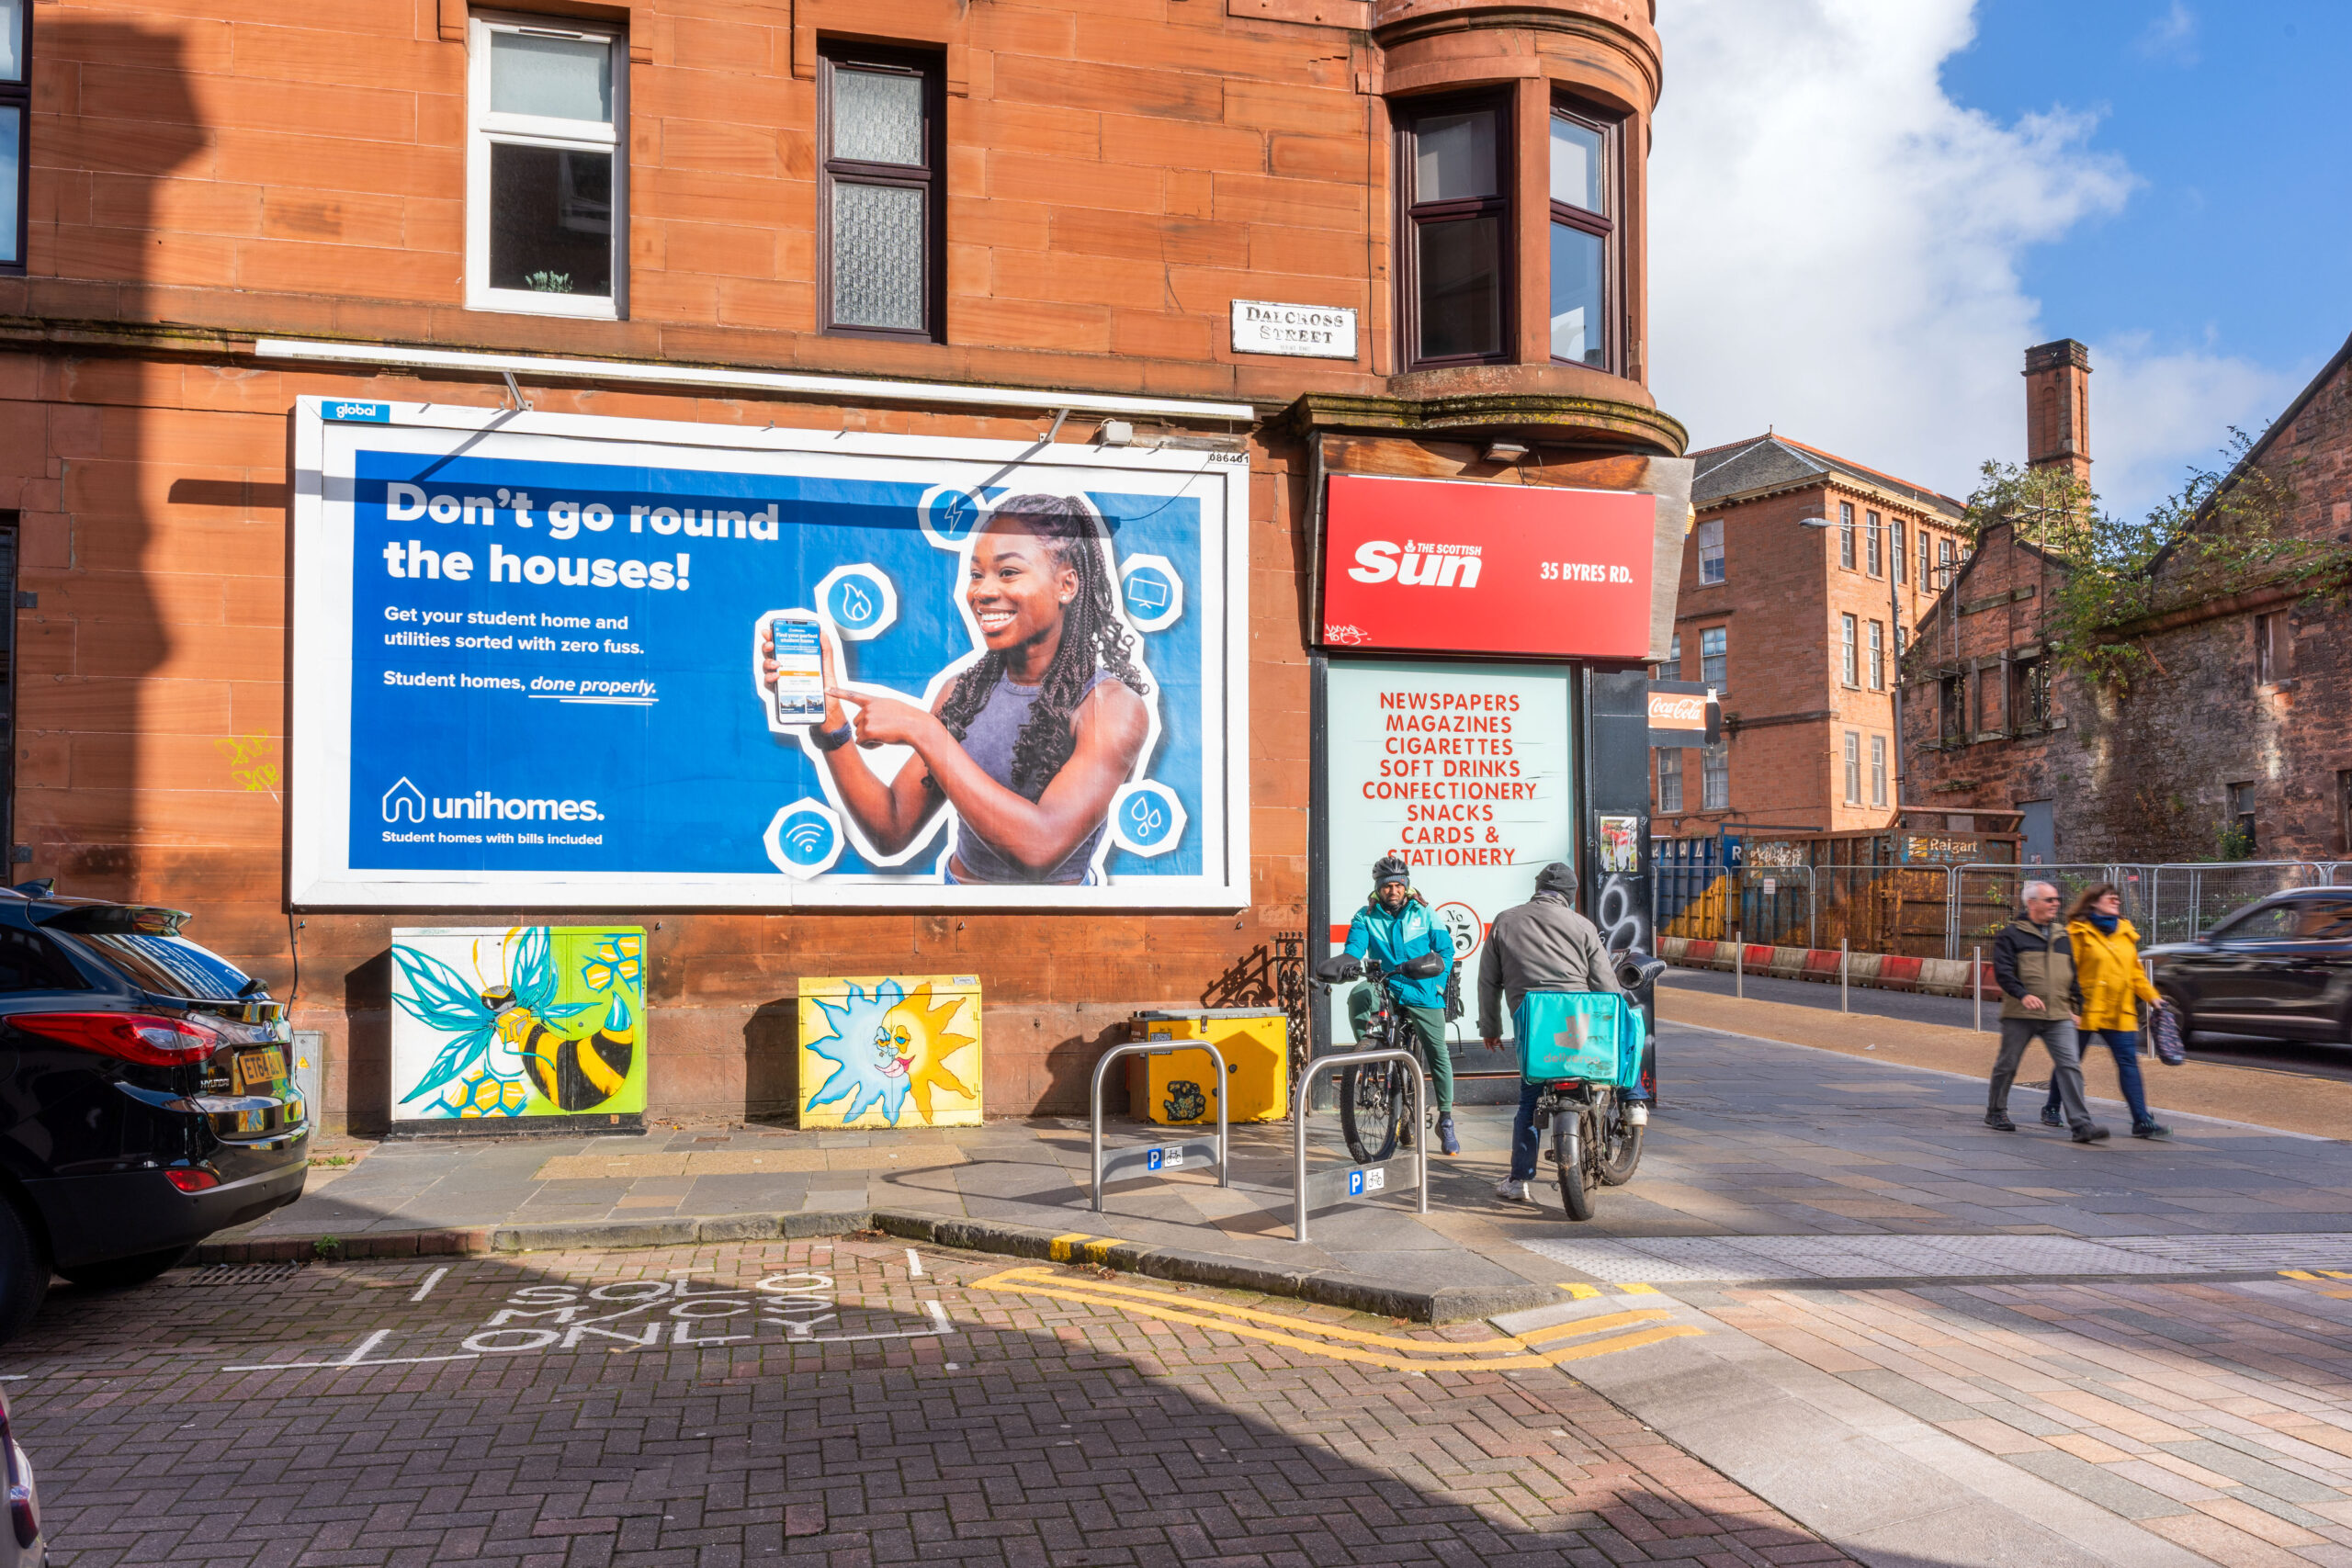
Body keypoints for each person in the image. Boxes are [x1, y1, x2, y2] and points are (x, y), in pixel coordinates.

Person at [761, 494, 1152, 884]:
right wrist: (831, 724)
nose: (981, 592)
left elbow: (1039, 850)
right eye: (977, 574)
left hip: (1056, 931)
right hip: (955, 910)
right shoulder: (963, 694)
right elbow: (892, 831)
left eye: (1008, 572)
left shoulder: (1112, 709)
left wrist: (924, 731)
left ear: (1067, 585)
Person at [1478, 862, 1625, 1203]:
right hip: (1578, 1021)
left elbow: (1489, 981)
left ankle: (1518, 1180)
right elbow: (1606, 985)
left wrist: (1490, 1028)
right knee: (1589, 1077)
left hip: (1533, 1021)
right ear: (1569, 896)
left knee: (1529, 1099)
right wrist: (1617, 1021)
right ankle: (1602, 1136)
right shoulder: (1581, 925)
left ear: (1537, 887)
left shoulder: (1505, 920)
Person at [1343, 856, 1458, 1154]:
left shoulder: (1423, 911)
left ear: (1405, 886)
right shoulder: (1365, 915)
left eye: (1398, 885)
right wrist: (1343, 963)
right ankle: (1374, 1050)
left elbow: (1445, 950)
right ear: (1378, 888)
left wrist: (1438, 982)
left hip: (1422, 987)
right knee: (1359, 995)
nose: (1392, 891)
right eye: (1387, 886)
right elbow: (1354, 948)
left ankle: (1446, 1119)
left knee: (1437, 1051)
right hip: (1386, 984)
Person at [2042, 884, 2168, 1139]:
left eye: (2117, 898)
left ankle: (2141, 1120)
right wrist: (2067, 1006)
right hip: (2084, 1009)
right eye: (2109, 897)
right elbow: (2065, 971)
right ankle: (2052, 1107)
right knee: (2071, 1062)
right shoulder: (2076, 932)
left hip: (2118, 1009)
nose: (2116, 900)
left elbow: (2135, 974)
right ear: (2092, 902)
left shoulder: (2125, 932)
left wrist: (2155, 999)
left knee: (2128, 1062)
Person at [1987, 880, 2108, 1143]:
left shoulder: (2062, 935)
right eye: (2049, 900)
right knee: (2008, 1064)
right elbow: (2004, 972)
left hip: (2058, 1014)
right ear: (2031, 904)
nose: (2056, 904)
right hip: (2021, 1013)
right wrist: (2023, 994)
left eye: (2056, 899)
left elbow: (2073, 975)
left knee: (2069, 1066)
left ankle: (2081, 1124)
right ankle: (1996, 1111)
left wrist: (2076, 1007)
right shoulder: (2011, 934)